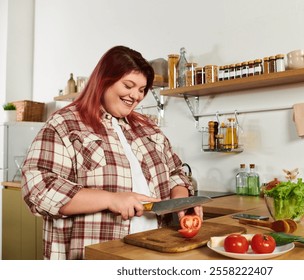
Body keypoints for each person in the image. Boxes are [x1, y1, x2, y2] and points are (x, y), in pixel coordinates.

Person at [21, 46, 202, 260]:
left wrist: (182, 203)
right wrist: (111, 200)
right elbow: (38, 188)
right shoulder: (65, 124)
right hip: (94, 257)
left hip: (153, 250)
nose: (136, 96)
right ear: (104, 80)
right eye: (129, 85)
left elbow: (176, 173)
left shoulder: (149, 128)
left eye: (142, 89)